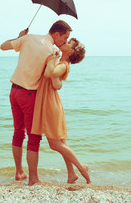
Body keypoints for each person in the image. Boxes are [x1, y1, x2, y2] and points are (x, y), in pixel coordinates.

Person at [0, 20, 72, 185]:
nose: (65, 42)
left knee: (18, 132)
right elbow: (52, 78)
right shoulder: (52, 51)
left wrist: (19, 37)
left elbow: (3, 46)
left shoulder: (29, 38)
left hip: (14, 91)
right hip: (28, 94)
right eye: (65, 38)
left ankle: (19, 172)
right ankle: (33, 178)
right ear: (56, 34)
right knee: (34, 137)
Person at [31, 38, 91, 184]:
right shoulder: (59, 61)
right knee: (61, 142)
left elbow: (49, 73)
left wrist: (54, 57)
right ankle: (71, 174)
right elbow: (55, 82)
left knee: (54, 144)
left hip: (51, 104)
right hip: (49, 101)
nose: (64, 43)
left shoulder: (63, 65)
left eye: (68, 43)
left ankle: (81, 167)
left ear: (70, 51)